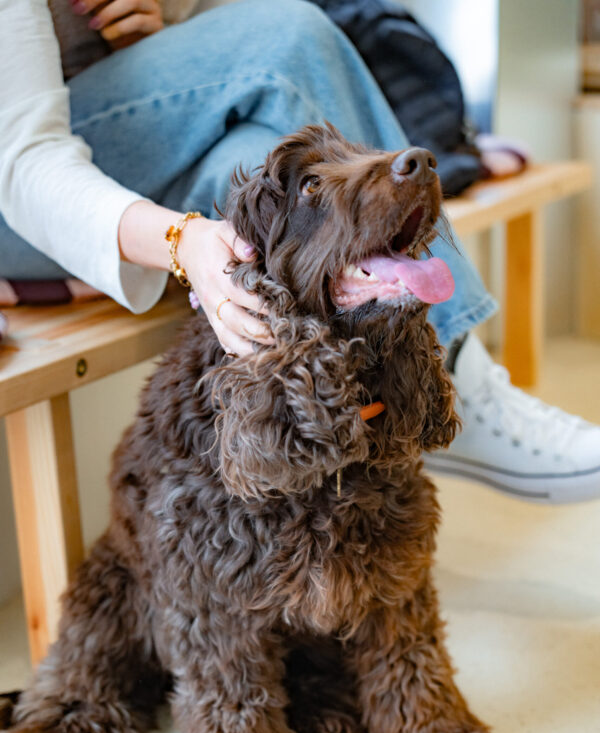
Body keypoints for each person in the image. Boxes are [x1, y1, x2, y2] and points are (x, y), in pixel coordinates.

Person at [1, 0, 598, 503]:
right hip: (21, 201)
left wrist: (160, 37)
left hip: (122, 149)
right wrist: (181, 241)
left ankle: (392, 395)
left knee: (267, 164)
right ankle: (458, 373)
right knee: (291, 31)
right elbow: (24, 165)